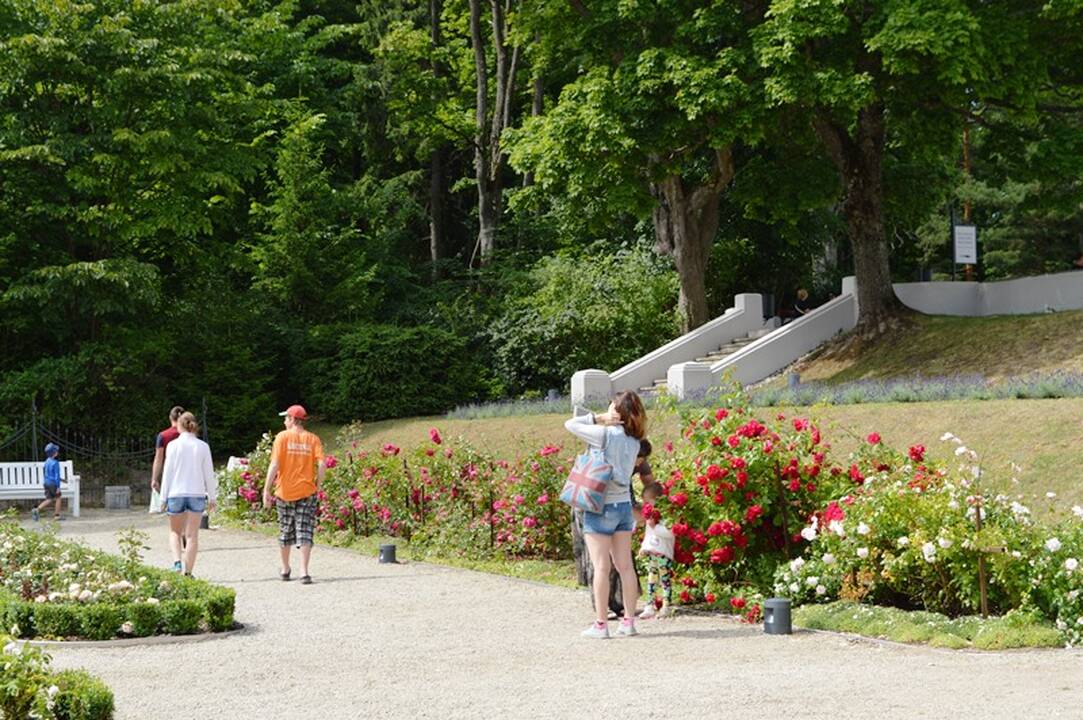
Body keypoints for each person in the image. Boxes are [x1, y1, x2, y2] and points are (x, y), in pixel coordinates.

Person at [565, 391, 647, 639]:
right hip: (623, 506)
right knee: (625, 567)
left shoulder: (603, 435)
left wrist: (600, 418)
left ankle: (601, 625)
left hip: (599, 506)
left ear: (617, 411)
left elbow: (570, 424)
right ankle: (629, 622)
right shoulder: (635, 443)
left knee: (601, 567)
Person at [570, 438, 654, 617]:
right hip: (591, 503)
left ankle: (621, 604)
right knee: (599, 560)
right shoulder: (611, 457)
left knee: (622, 560)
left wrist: (651, 503)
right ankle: (603, 607)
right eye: (638, 459)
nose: (639, 463)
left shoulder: (639, 461)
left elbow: (650, 485)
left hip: (617, 505)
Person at [262, 405, 325, 585]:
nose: (283, 422)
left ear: (291, 419)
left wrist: (266, 489)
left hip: (284, 492)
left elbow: (274, 465)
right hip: (307, 491)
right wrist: (317, 486)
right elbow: (322, 465)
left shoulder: (282, 437)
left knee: (285, 530)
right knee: (305, 531)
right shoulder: (313, 439)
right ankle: (304, 571)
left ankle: (285, 569)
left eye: (285, 418)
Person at [160, 412, 216, 576]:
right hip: (196, 493)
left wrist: (163, 497)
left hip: (176, 493)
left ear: (179, 425)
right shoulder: (203, 446)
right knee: (192, 536)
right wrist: (212, 497)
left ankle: (177, 563)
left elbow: (167, 473)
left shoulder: (172, 446)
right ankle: (189, 572)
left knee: (175, 532)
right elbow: (209, 474)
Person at [637, 483, 675, 619]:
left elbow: (670, 533)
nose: (645, 504)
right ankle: (649, 605)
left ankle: (666, 605)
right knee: (651, 579)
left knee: (665, 579)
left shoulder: (667, 516)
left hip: (663, 553)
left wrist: (655, 526)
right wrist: (644, 547)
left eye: (648, 501)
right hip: (652, 553)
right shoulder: (650, 519)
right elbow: (648, 535)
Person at [151, 406, 185, 517]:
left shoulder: (163, 436)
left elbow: (158, 458)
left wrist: (154, 479)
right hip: (187, 470)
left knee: (173, 500)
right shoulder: (189, 435)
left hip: (170, 471)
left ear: (170, 418)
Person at [31, 443, 63, 522]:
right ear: (55, 453)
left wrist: (61, 479)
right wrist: (58, 487)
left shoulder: (47, 461)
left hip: (46, 483)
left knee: (49, 499)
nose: (58, 452)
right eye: (57, 451)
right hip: (53, 484)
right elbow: (56, 475)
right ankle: (57, 516)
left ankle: (37, 510)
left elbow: (48, 473)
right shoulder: (55, 463)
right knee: (58, 498)